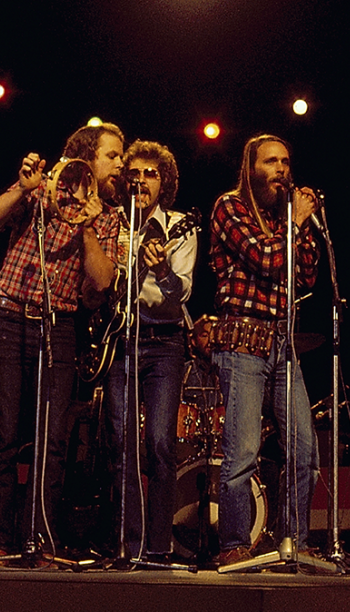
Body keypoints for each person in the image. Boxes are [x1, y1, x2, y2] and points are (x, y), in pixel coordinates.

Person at [0, 123, 123, 559]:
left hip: (59, 326)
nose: (119, 164)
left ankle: (39, 541)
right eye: (112, 155)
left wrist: (90, 228)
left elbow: (99, 286)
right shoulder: (42, 191)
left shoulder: (110, 217)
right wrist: (22, 190)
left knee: (52, 441)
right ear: (88, 156)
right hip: (7, 315)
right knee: (2, 434)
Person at [207, 134, 320, 567]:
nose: (281, 169)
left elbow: (306, 276)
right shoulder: (229, 206)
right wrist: (295, 225)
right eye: (271, 161)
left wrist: (301, 223)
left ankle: (295, 541)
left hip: (283, 343)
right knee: (243, 452)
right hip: (242, 343)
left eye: (286, 162)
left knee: (304, 450)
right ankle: (233, 544)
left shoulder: (285, 217)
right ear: (251, 168)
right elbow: (266, 260)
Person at [100, 139, 197, 562]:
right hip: (119, 342)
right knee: (121, 442)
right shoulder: (112, 222)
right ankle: (129, 543)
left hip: (164, 344)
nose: (140, 181)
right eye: (134, 173)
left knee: (159, 441)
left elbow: (179, 295)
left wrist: (159, 269)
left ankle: (158, 546)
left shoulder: (180, 225)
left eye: (150, 175)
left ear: (165, 183)